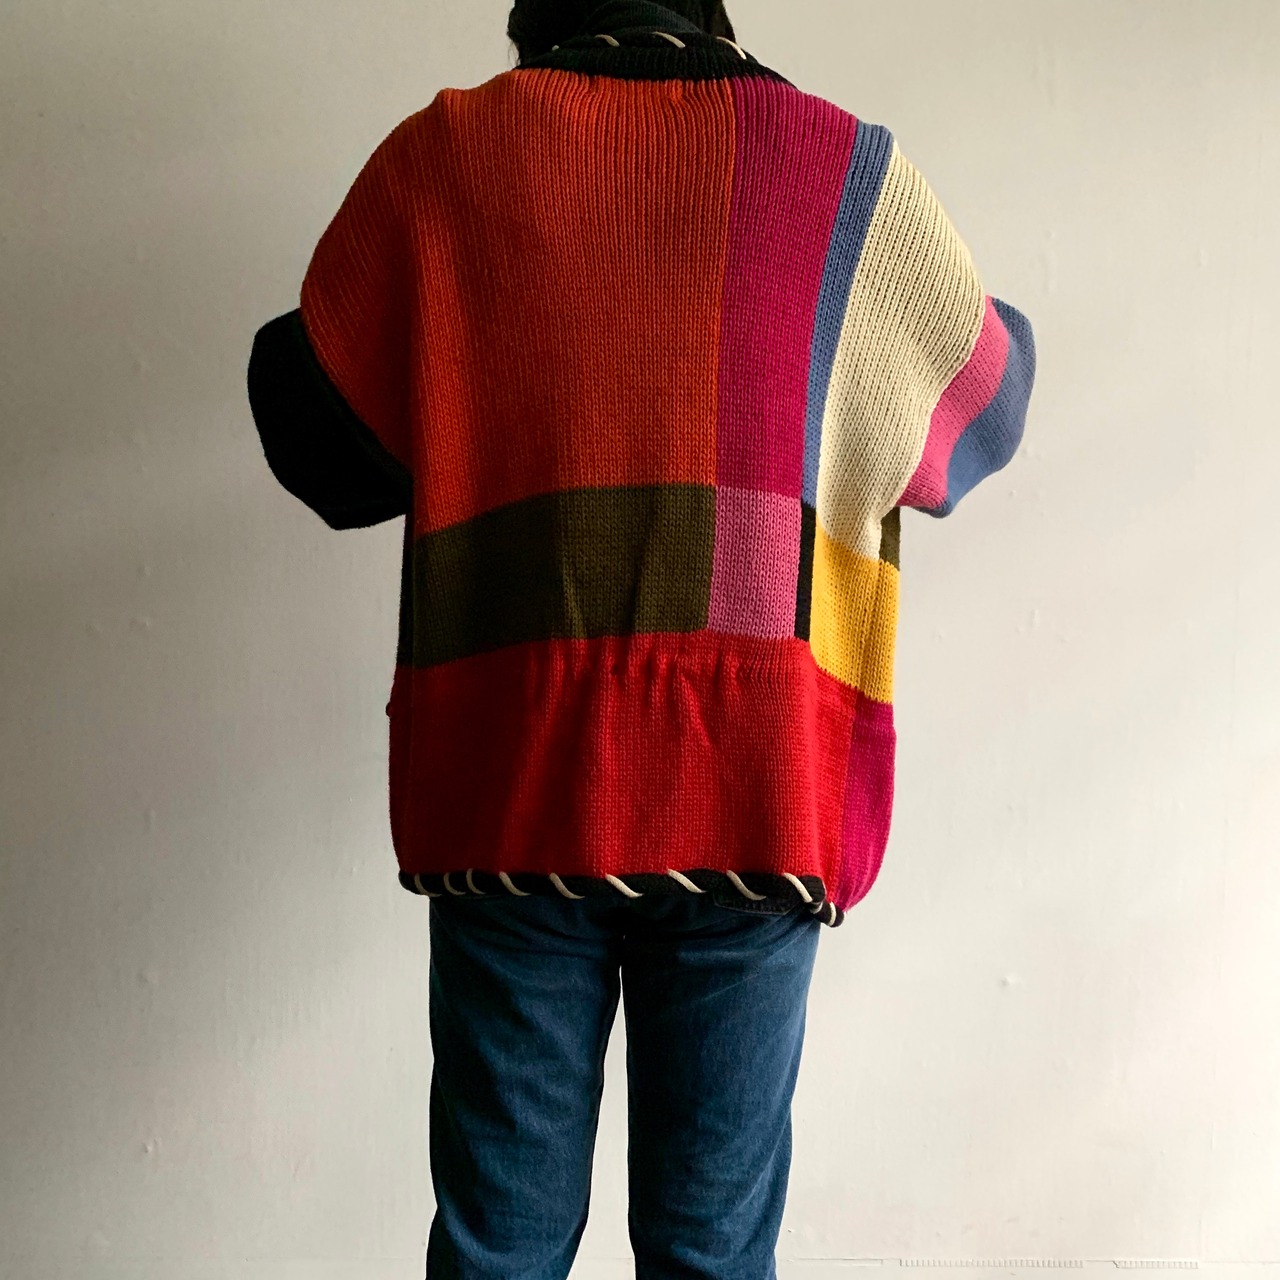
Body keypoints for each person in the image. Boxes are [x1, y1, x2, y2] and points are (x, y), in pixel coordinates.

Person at [246, 1, 1037, 1274]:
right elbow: (985, 411)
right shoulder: (842, 178)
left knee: (498, 1248)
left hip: (514, 789)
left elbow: (317, 441)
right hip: (753, 795)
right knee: (709, 1254)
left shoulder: (448, 163)